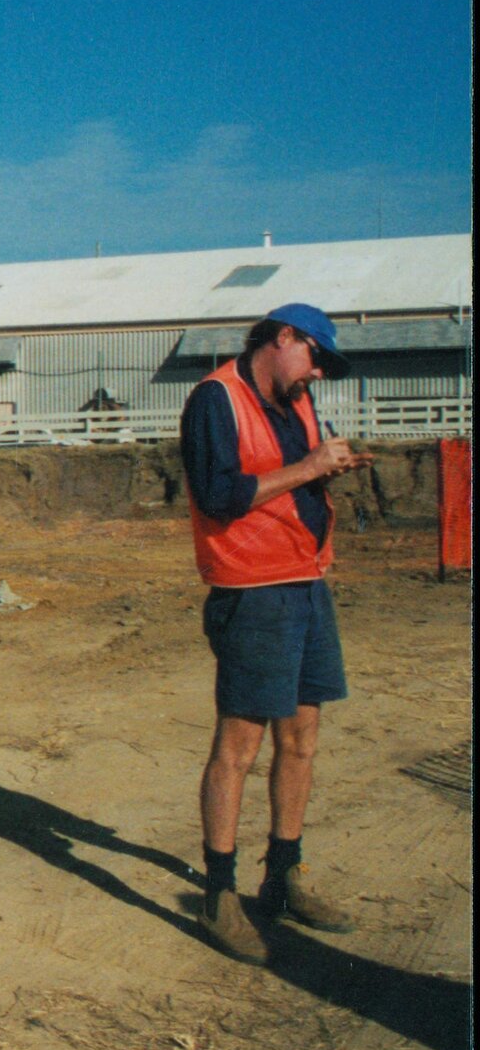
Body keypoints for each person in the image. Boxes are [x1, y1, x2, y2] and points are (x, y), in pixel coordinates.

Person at [179, 302, 374, 964]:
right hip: (251, 591)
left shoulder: (296, 402)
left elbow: (292, 478)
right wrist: (313, 467)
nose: (316, 373)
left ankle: (283, 876)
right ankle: (220, 894)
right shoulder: (215, 399)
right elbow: (221, 494)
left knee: (302, 737)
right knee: (239, 745)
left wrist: (327, 466)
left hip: (305, 582)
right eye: (313, 356)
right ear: (281, 337)